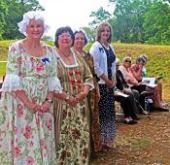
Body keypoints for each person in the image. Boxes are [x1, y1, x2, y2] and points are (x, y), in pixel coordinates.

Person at [0, 11, 62, 164]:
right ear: (25, 28)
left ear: (43, 28)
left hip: (43, 104)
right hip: (20, 104)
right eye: (32, 26)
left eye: (39, 26)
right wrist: (29, 104)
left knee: (43, 140)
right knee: (23, 140)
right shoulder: (16, 48)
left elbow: (52, 78)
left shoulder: (49, 51)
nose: (36, 29)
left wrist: (48, 101)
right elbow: (12, 80)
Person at [54, 26, 94, 164]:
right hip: (61, 103)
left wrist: (84, 91)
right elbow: (49, 81)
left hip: (80, 103)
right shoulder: (52, 56)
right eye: (62, 35)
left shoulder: (77, 55)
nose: (65, 38)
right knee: (63, 137)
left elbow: (88, 76)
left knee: (81, 135)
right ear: (57, 39)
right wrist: (66, 97)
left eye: (68, 36)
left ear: (72, 39)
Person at [73, 30, 102, 157]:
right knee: (79, 119)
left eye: (82, 38)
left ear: (85, 41)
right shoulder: (69, 55)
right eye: (77, 38)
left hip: (90, 92)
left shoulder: (89, 56)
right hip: (76, 92)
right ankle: (79, 149)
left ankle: (92, 148)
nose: (79, 40)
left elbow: (93, 75)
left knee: (92, 118)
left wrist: (97, 89)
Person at [89, 22, 116, 151]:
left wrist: (114, 80)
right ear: (99, 33)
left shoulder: (110, 47)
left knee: (110, 112)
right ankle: (102, 141)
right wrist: (107, 80)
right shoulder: (96, 47)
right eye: (103, 31)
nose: (106, 33)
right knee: (103, 113)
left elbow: (114, 64)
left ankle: (109, 139)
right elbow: (95, 67)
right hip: (102, 84)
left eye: (108, 31)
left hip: (110, 83)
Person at [115, 58, 139, 124]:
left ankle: (134, 113)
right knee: (128, 96)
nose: (117, 67)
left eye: (117, 65)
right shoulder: (111, 73)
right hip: (116, 92)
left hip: (121, 90)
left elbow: (123, 82)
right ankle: (128, 116)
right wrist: (122, 90)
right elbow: (115, 85)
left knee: (135, 92)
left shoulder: (118, 72)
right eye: (116, 65)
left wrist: (126, 87)